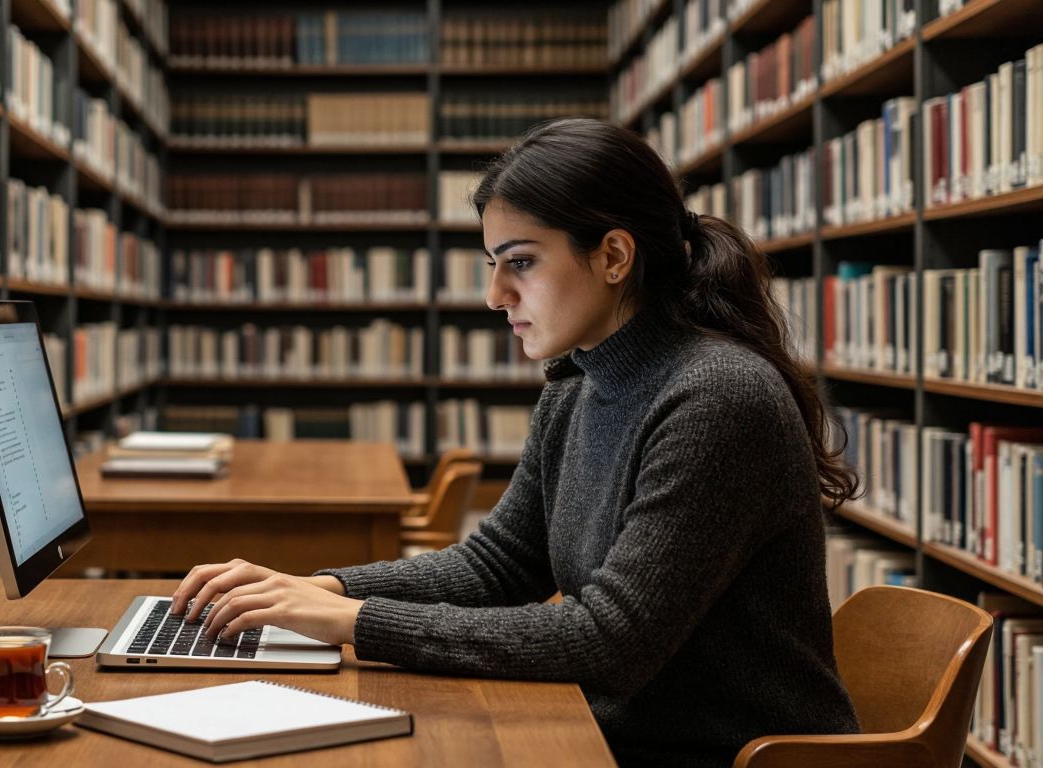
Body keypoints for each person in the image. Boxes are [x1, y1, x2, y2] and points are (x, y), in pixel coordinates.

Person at [169, 117, 861, 767]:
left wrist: (352, 620)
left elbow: (610, 642)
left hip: (715, 754)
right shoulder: (576, 384)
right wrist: (315, 589)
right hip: (611, 734)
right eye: (492, 264)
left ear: (615, 255)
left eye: (520, 263)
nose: (495, 295)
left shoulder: (717, 398)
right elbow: (499, 564)